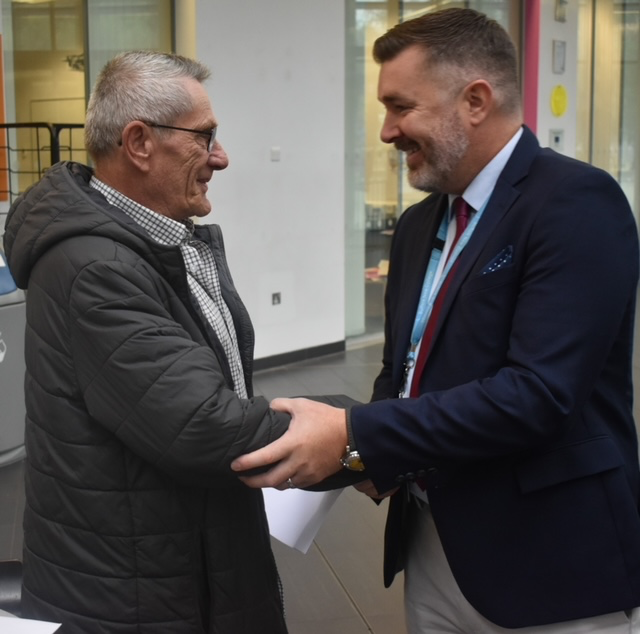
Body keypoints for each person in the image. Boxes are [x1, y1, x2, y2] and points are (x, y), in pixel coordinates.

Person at [231, 8, 640, 634]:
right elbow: (407, 371)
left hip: (548, 562)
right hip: (433, 543)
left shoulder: (575, 203)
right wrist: (356, 455)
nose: (387, 131)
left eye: (400, 107)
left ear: (475, 100)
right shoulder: (421, 223)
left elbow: (537, 396)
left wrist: (353, 433)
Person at [2, 50, 294, 634]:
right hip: (136, 591)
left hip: (181, 557)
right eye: (205, 136)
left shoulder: (157, 243)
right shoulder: (96, 268)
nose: (221, 157)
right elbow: (201, 424)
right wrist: (354, 438)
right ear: (139, 143)